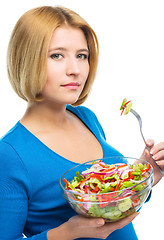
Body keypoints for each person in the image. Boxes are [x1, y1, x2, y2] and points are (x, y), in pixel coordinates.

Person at [0, 6, 163, 240]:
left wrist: (142, 179)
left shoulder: (86, 118)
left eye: (81, 56)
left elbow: (108, 207)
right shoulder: (9, 154)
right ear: (27, 61)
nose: (75, 70)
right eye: (57, 55)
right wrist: (66, 233)